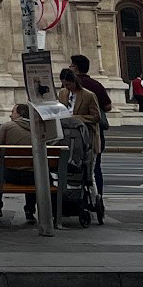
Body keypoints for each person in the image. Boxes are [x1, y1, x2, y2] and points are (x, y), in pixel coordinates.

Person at [70, 55, 114, 210]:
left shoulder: (72, 88)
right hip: (94, 133)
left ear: (76, 67)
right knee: (95, 168)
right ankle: (97, 199)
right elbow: (108, 107)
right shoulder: (96, 85)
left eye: (71, 65)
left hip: (74, 135)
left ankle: (78, 199)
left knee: (74, 167)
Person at [59, 67, 102, 221]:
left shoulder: (88, 96)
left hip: (87, 138)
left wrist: (76, 118)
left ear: (75, 82)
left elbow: (96, 117)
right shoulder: (63, 93)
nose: (66, 88)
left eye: (68, 84)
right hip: (69, 138)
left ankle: (93, 198)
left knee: (88, 173)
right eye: (64, 84)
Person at [0, 102, 38, 224]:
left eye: (13, 112)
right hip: (33, 176)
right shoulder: (38, 129)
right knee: (32, 170)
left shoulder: (7, 127)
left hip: (11, 175)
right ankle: (29, 211)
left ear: (20, 114)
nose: (10, 115)